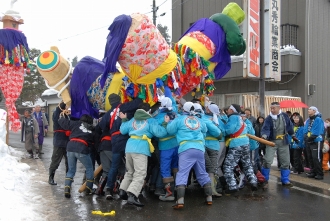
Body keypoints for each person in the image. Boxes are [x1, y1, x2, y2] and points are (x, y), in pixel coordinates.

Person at [118, 103, 167, 207]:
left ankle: (122, 190)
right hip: (141, 148)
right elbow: (160, 133)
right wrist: (165, 124)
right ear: (148, 111)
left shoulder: (132, 120)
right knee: (140, 173)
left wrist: (124, 120)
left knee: (130, 171)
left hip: (129, 147)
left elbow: (122, 130)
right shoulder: (150, 120)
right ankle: (132, 195)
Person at [165, 102, 212, 209]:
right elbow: (205, 129)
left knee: (182, 173)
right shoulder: (198, 119)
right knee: (202, 173)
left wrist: (169, 122)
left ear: (184, 109)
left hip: (185, 149)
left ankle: (180, 200)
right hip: (200, 149)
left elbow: (170, 130)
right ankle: (209, 198)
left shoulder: (179, 119)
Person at [101, 94, 142, 199]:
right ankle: (130, 190)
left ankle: (108, 189)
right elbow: (138, 102)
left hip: (114, 141)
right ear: (119, 99)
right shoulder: (123, 107)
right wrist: (135, 94)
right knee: (131, 166)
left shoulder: (108, 114)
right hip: (125, 138)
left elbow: (100, 127)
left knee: (114, 166)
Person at [58, 114, 95, 198]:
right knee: (89, 168)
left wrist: (62, 116)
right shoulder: (92, 129)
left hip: (70, 146)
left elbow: (62, 122)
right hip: (82, 148)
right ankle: (89, 188)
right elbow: (93, 143)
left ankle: (67, 188)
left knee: (71, 170)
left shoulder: (76, 124)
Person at [223, 104, 257, 195]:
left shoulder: (233, 117)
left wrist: (222, 128)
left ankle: (232, 186)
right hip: (245, 143)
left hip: (236, 144)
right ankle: (253, 181)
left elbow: (229, 130)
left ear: (232, 110)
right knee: (247, 164)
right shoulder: (241, 119)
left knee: (228, 166)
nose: (228, 111)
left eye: (230, 109)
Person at [261, 102, 296, 188]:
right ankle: (265, 180)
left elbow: (289, 126)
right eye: (271, 108)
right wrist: (264, 136)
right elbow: (266, 129)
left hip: (283, 141)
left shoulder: (284, 116)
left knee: (285, 161)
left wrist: (293, 135)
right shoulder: (268, 118)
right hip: (272, 141)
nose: (272, 110)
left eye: (274, 108)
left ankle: (285, 180)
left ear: (278, 108)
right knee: (267, 160)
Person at [153, 97, 179, 201]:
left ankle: (169, 193)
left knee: (165, 169)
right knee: (176, 167)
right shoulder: (175, 114)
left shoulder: (158, 117)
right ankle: (178, 189)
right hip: (176, 145)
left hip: (165, 147)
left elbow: (156, 133)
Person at [200, 103, 222, 197]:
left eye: (207, 108)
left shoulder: (202, 118)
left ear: (208, 110)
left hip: (204, 145)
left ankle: (207, 190)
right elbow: (221, 133)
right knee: (213, 168)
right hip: (215, 146)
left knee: (206, 168)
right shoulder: (218, 120)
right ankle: (212, 190)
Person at [48, 102, 69, 185]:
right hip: (59, 141)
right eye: (66, 107)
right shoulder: (57, 114)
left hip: (68, 142)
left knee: (69, 162)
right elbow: (57, 110)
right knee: (55, 160)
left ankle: (68, 179)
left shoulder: (68, 115)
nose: (67, 108)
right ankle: (51, 178)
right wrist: (64, 101)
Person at [303, 106, 324, 180]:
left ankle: (319, 173)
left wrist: (310, 137)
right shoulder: (308, 120)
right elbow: (305, 129)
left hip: (316, 141)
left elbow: (317, 131)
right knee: (310, 157)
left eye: (310, 109)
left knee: (316, 157)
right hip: (309, 141)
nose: (308, 110)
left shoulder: (318, 119)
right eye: (308, 109)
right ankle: (313, 172)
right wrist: (305, 136)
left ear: (314, 111)